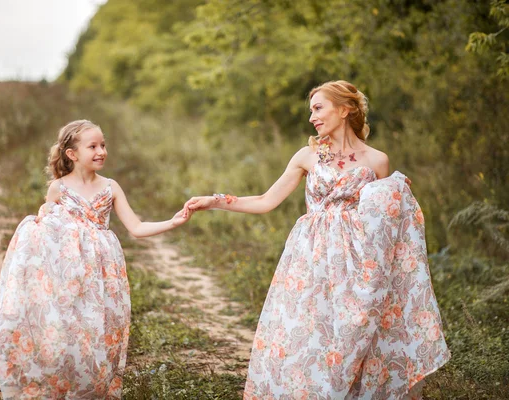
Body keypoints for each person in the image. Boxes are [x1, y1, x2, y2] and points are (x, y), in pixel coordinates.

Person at [184, 81, 450, 399]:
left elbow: (388, 219)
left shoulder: (377, 161)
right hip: (311, 257)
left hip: (359, 264)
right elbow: (265, 200)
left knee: (355, 334)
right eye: (311, 110)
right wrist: (213, 200)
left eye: (318, 108)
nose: (312, 117)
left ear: (345, 109)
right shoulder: (307, 157)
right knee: (311, 335)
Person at [0, 120, 190, 399]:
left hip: (102, 273)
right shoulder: (59, 189)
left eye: (103, 145)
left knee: (99, 330)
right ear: (72, 154)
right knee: (68, 328)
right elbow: (46, 236)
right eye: (92, 146)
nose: (101, 151)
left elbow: (137, 228)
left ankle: (91, 388)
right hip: (68, 276)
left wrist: (173, 222)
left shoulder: (110, 187)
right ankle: (59, 384)